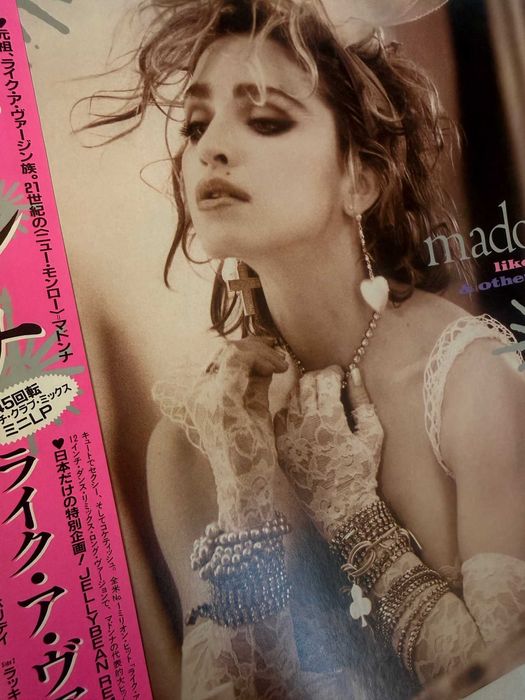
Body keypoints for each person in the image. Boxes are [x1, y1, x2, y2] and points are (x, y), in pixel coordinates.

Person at [90, 1, 525, 697]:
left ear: (360, 179)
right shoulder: (192, 447)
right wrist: (245, 491)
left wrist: (355, 517)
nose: (209, 148)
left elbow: (506, 680)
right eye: (197, 124)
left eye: (265, 119)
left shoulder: (472, 382)